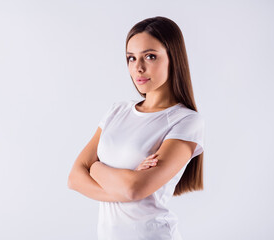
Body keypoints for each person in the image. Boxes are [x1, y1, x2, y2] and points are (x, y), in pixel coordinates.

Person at [67, 16, 205, 240]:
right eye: (131, 58)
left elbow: (134, 189)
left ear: (173, 57)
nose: (138, 68)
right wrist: (123, 186)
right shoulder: (117, 111)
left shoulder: (186, 121)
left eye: (150, 56)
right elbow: (74, 178)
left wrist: (95, 169)